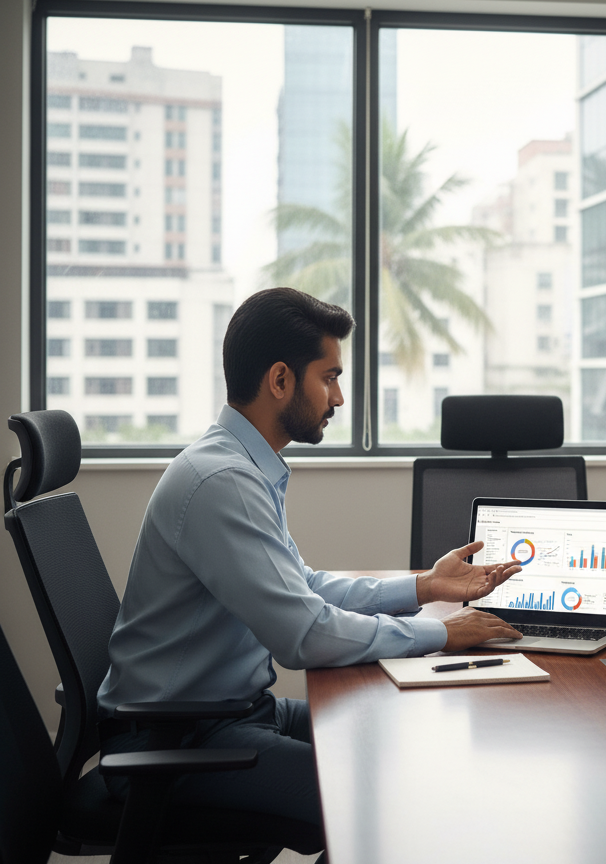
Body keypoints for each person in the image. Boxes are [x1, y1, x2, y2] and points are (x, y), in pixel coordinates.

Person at [96, 287, 523, 854]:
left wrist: (423, 586)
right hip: (176, 738)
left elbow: (306, 588)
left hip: (229, 714)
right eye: (329, 377)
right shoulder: (220, 482)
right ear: (280, 380)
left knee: (395, 732)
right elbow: (304, 633)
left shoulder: (242, 465)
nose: (339, 397)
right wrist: (442, 632)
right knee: (385, 794)